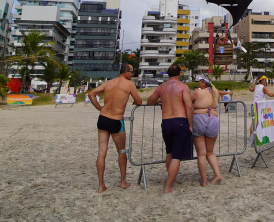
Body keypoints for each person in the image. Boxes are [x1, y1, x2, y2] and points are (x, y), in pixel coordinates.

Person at [88, 64, 142, 192]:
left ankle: (101, 185)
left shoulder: (109, 83)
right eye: (132, 72)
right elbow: (139, 101)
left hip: (103, 118)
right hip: (116, 120)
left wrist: (100, 108)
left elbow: (91, 94)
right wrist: (134, 102)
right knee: (121, 151)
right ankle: (123, 181)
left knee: (102, 152)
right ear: (125, 72)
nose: (132, 74)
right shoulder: (129, 85)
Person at [147, 64, 194, 194]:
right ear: (179, 73)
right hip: (179, 120)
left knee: (170, 152)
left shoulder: (161, 87)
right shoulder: (183, 87)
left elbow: (150, 102)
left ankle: (170, 178)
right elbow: (189, 107)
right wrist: (190, 124)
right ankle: (168, 186)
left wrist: (161, 101)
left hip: (166, 121)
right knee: (177, 156)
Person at [192, 75, 222, 186]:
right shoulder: (215, 92)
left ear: (203, 83)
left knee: (201, 154)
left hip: (200, 117)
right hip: (213, 118)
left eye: (199, 81)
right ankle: (217, 175)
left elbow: (188, 101)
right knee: (210, 152)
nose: (198, 83)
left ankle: (204, 181)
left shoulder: (197, 92)